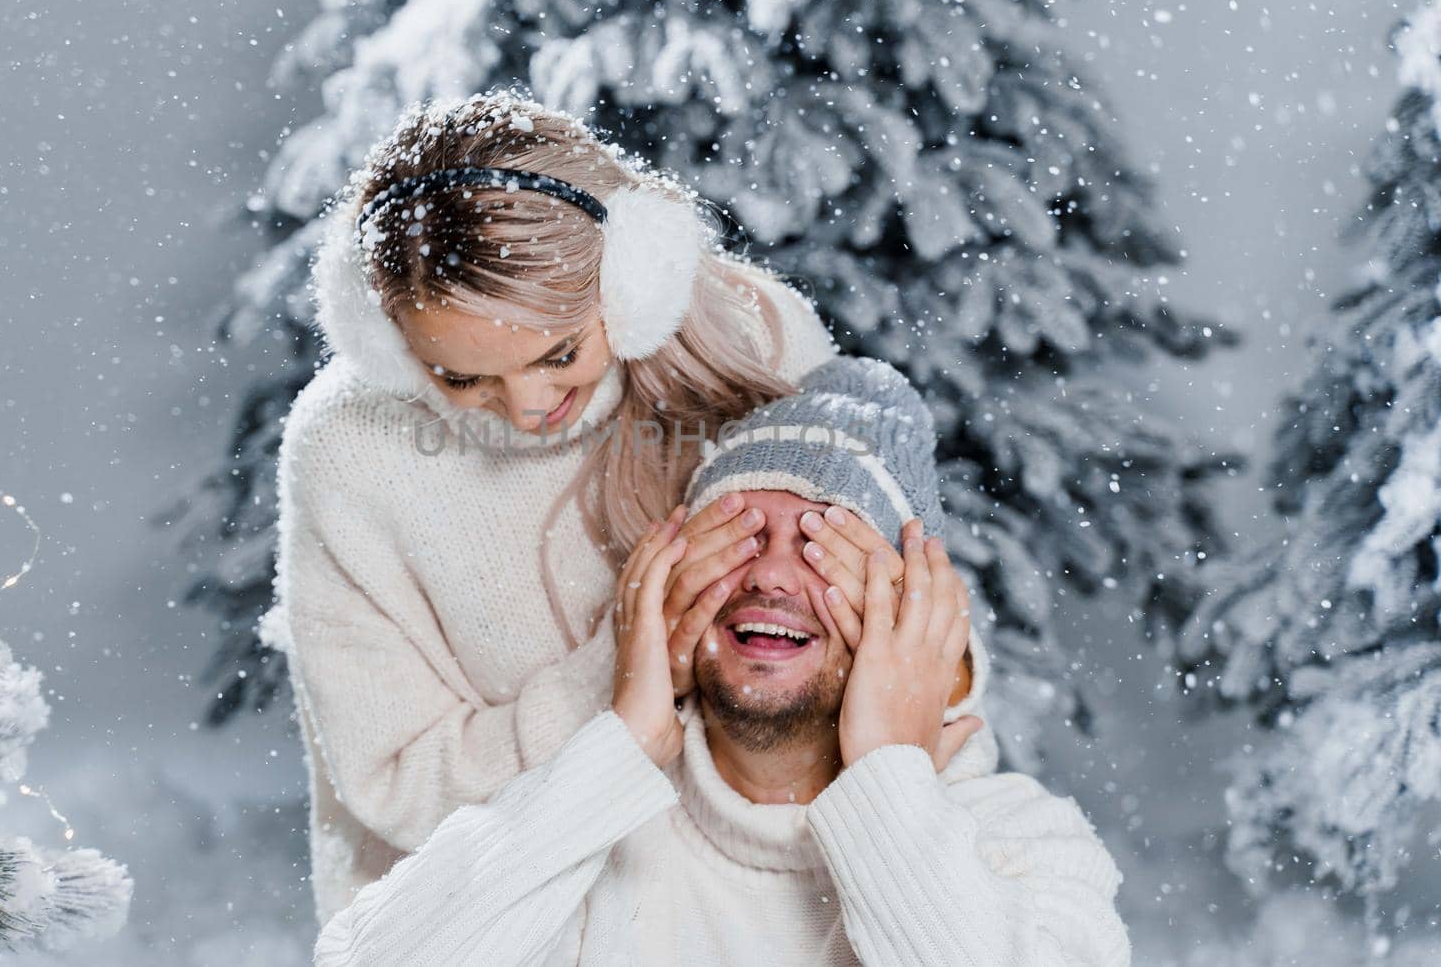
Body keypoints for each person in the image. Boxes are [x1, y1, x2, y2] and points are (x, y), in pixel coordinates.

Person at [268, 88, 957, 924]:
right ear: (383, 339)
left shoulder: (752, 336)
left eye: (559, 352)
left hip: (748, 911)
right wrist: (627, 668)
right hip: (498, 920)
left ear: (634, 276)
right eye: (462, 376)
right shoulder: (350, 451)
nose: (526, 405)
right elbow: (395, 783)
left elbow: (907, 640)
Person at [312, 357, 1132, 966]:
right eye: (738, 537)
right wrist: (621, 741)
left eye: (824, 544)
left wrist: (889, 772)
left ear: (909, 614)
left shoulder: (1023, 840)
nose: (773, 574)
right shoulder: (586, 833)